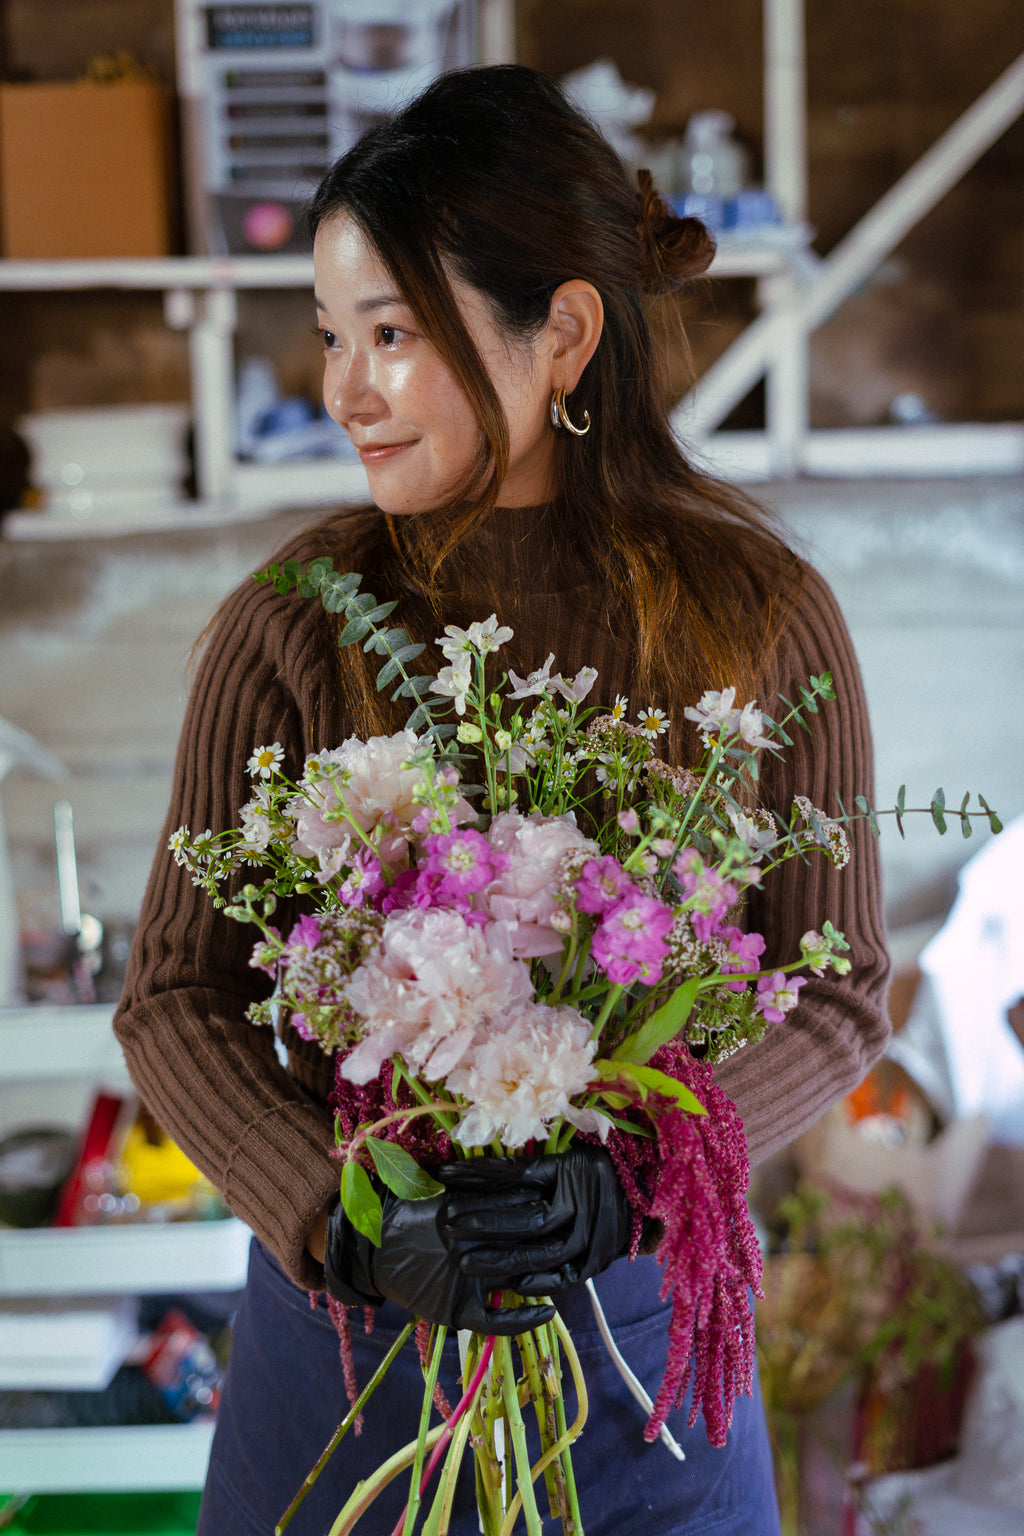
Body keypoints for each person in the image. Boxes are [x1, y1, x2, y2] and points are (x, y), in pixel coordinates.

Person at [113, 64, 890, 1535]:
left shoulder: (761, 618)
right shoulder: (294, 620)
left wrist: (646, 1172)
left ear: (566, 333)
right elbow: (175, 999)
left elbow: (837, 990)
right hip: (340, 1359)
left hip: (646, 1362)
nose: (342, 389)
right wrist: (341, 1225)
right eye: (332, 336)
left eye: (391, 336)